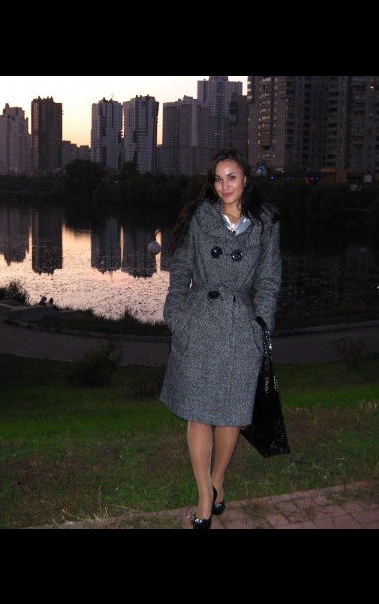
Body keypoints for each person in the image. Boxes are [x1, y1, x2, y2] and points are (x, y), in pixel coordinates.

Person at [159, 148, 282, 529]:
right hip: (199, 322)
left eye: (232, 177)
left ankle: (217, 481)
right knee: (198, 415)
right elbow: (181, 269)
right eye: (218, 178)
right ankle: (203, 497)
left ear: (245, 179)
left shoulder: (266, 222)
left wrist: (261, 325)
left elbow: (270, 279)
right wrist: (176, 315)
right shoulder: (200, 217)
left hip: (241, 326)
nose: (225, 185)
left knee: (231, 415)